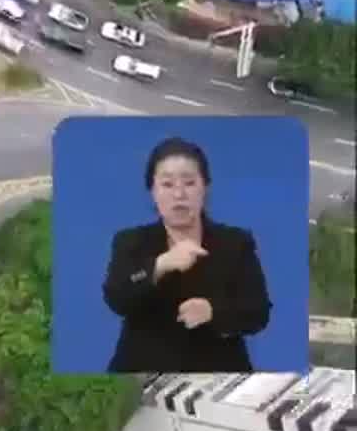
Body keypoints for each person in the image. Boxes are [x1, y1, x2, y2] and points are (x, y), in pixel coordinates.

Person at [103, 137, 271, 372]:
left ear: (205, 188)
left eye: (189, 183)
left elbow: (258, 312)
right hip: (144, 371)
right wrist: (161, 265)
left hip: (218, 371)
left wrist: (213, 312)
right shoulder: (131, 241)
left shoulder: (235, 242)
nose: (179, 194)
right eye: (167, 184)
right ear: (152, 191)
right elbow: (116, 297)